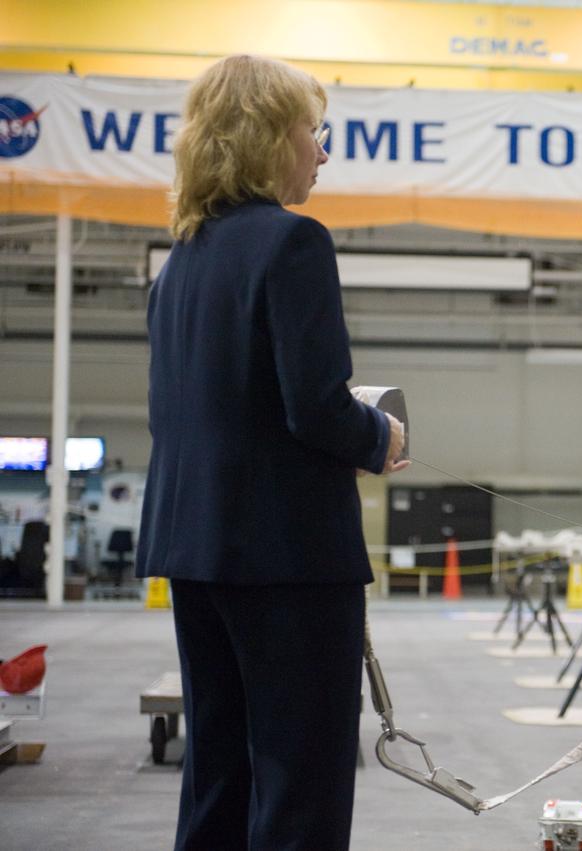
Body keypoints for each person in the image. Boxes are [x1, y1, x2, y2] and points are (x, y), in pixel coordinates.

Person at [137, 55, 409, 851]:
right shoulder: (293, 243)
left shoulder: (181, 261)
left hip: (198, 550)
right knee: (302, 782)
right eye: (312, 133)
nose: (321, 153)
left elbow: (178, 414)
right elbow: (315, 408)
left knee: (218, 773)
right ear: (268, 137)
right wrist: (379, 436)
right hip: (288, 555)